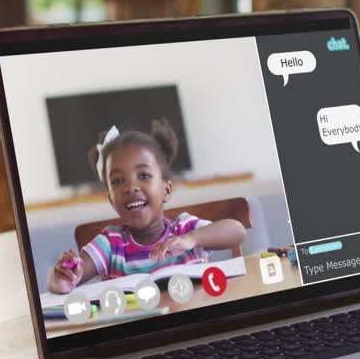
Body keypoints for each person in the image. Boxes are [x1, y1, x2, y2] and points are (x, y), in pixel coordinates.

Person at [47, 119, 247, 294]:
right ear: (111, 200)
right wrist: (62, 277)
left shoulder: (184, 230)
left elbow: (237, 231)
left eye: (143, 176)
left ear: (166, 190)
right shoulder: (109, 245)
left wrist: (192, 239)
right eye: (118, 181)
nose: (130, 187)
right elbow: (65, 283)